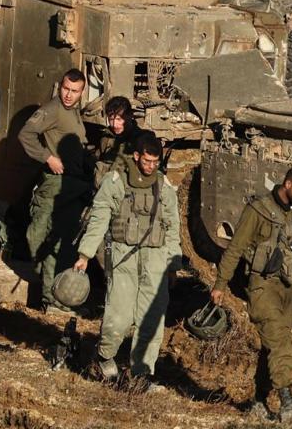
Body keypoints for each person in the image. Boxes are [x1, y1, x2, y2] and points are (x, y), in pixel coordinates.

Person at [210, 166, 292, 420]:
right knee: (279, 342)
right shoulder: (258, 211)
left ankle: (259, 400)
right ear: (287, 184)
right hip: (262, 286)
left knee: (271, 345)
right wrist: (220, 284)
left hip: (287, 287)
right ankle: (287, 401)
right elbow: (235, 248)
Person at [73, 131, 181, 388]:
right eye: (146, 162)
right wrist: (85, 255)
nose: (151, 167)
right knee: (118, 316)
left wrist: (174, 266)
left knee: (152, 318)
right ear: (136, 156)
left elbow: (172, 225)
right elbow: (100, 217)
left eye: (155, 163)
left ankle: (141, 373)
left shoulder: (163, 186)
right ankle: (104, 356)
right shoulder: (116, 181)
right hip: (124, 255)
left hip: (155, 259)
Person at [18, 69, 90, 312]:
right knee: (47, 240)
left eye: (74, 91)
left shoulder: (73, 112)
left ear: (82, 92)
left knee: (63, 242)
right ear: (60, 86)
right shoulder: (53, 110)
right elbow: (26, 134)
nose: (68, 95)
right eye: (66, 89)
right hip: (56, 184)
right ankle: (50, 297)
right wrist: (47, 156)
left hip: (72, 187)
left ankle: (57, 296)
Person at [90, 96, 140, 192]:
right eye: (111, 119)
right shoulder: (106, 137)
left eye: (119, 119)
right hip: (104, 189)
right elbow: (98, 159)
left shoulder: (139, 139)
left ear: (129, 116)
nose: (114, 124)